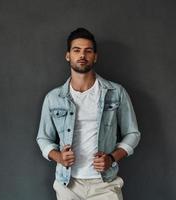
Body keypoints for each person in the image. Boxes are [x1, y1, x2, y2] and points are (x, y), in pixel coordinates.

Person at [36, 27, 141, 200]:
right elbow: (43, 138)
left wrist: (111, 158)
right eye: (76, 50)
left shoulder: (116, 92)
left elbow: (133, 133)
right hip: (68, 184)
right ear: (68, 55)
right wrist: (60, 158)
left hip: (105, 183)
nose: (82, 55)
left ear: (95, 56)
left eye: (88, 51)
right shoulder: (53, 98)